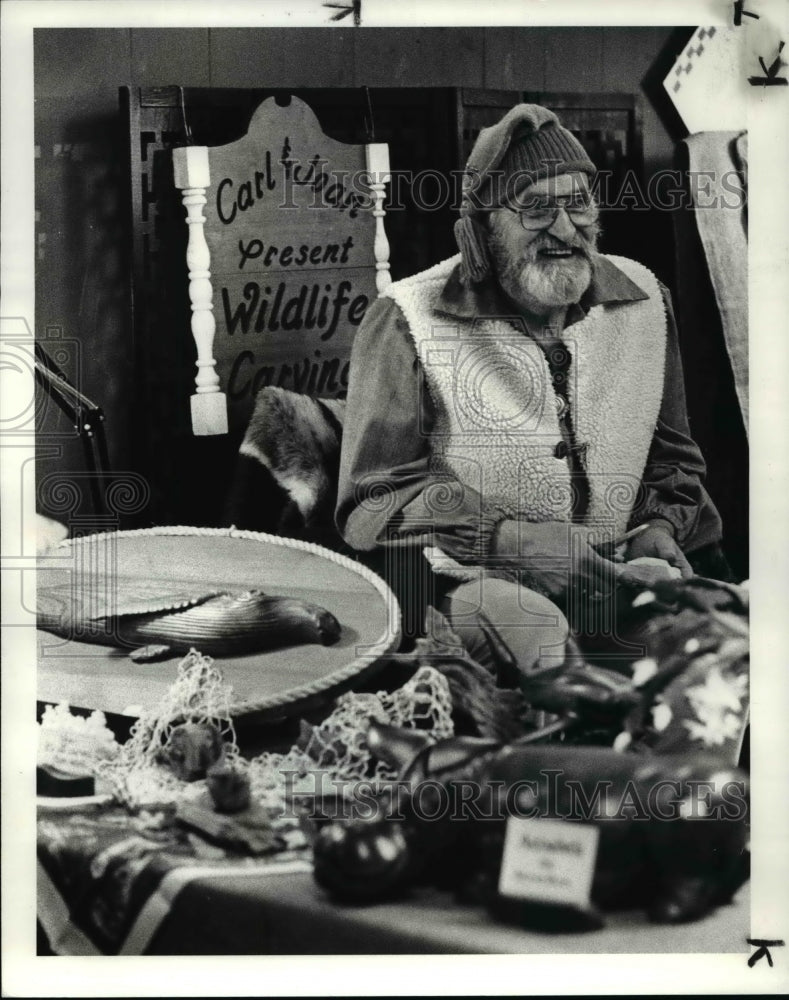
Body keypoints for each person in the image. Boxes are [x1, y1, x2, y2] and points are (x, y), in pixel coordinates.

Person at [335, 103, 725, 674]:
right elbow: (374, 498)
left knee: (718, 646)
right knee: (539, 639)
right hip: (474, 578)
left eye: (578, 204)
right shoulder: (407, 318)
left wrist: (658, 528)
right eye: (537, 209)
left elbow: (670, 454)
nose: (566, 230)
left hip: (613, 570)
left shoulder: (644, 299)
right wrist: (510, 540)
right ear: (485, 229)